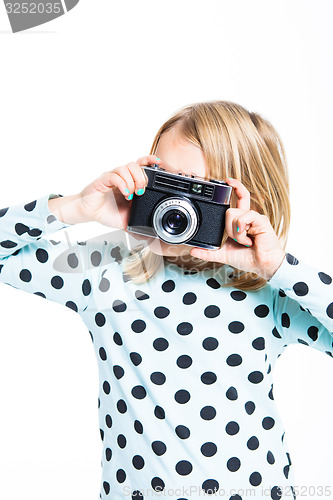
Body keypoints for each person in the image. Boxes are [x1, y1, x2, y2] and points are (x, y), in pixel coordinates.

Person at [0, 100, 332, 500]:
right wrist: (75, 208)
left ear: (246, 199)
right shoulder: (106, 267)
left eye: (198, 190)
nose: (175, 207)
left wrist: (279, 266)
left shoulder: (268, 289)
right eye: (162, 180)